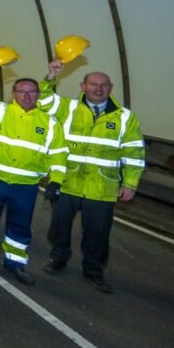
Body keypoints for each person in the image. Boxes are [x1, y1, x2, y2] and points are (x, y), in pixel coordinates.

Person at [36, 62, 145, 293]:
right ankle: (58, 258)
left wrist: (130, 183)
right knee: (59, 226)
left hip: (102, 186)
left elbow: (134, 152)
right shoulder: (68, 108)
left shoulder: (125, 118)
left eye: (104, 85)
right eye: (93, 84)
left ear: (111, 88)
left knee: (98, 232)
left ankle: (94, 270)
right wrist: (52, 75)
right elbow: (43, 99)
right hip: (67, 182)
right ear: (82, 86)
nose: (98, 89)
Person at [0, 78, 68, 285]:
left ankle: (15, 262)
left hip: (25, 185)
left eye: (32, 92)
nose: (27, 96)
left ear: (38, 95)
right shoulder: (0, 112)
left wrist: (56, 180)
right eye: (22, 92)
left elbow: (58, 154)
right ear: (13, 93)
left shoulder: (49, 123)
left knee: (20, 224)